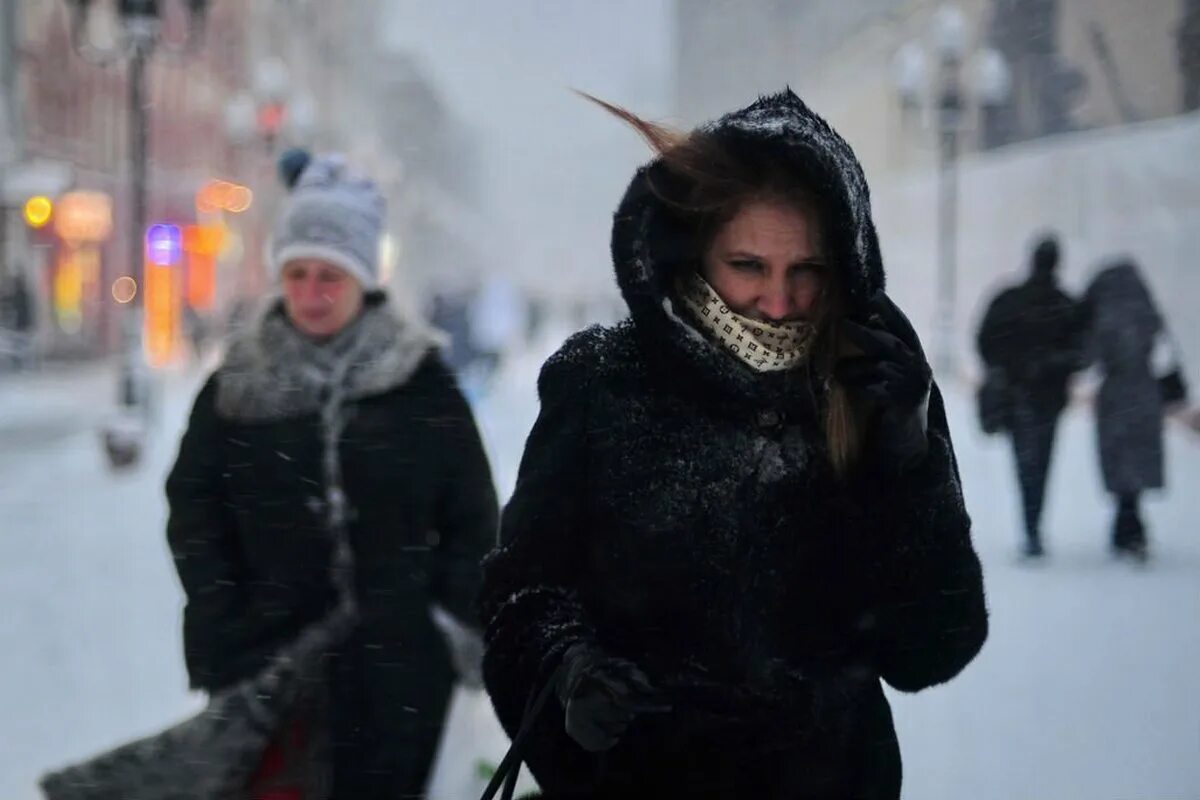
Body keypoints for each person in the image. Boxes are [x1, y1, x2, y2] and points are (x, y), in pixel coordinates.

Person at [478, 90, 988, 800]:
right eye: (748, 265)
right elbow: (522, 594)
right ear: (695, 252)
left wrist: (907, 461)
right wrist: (568, 666)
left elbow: (931, 646)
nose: (778, 302)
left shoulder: (871, 386)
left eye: (804, 270)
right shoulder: (601, 384)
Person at [166, 154, 498, 797]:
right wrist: (223, 621)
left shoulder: (419, 383)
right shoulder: (237, 385)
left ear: (363, 280)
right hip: (265, 669)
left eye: (330, 277)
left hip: (401, 678)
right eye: (297, 274)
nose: (311, 294)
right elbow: (195, 512)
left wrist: (452, 626)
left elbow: (473, 517)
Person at [976, 235, 1086, 558]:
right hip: (1046, 400)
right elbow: (1081, 353)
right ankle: (1033, 526)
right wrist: (1050, 366)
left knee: (1026, 465)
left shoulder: (1010, 300)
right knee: (1040, 464)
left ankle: (1031, 527)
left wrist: (1010, 368)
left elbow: (984, 341)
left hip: (1018, 397)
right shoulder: (1064, 304)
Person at [1083, 259, 1182, 561]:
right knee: (1137, 460)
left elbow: (1089, 356)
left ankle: (1127, 525)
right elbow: (1162, 347)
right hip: (1145, 393)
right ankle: (1131, 522)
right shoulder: (1146, 310)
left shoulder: (1103, 314)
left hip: (1115, 394)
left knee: (1118, 459)